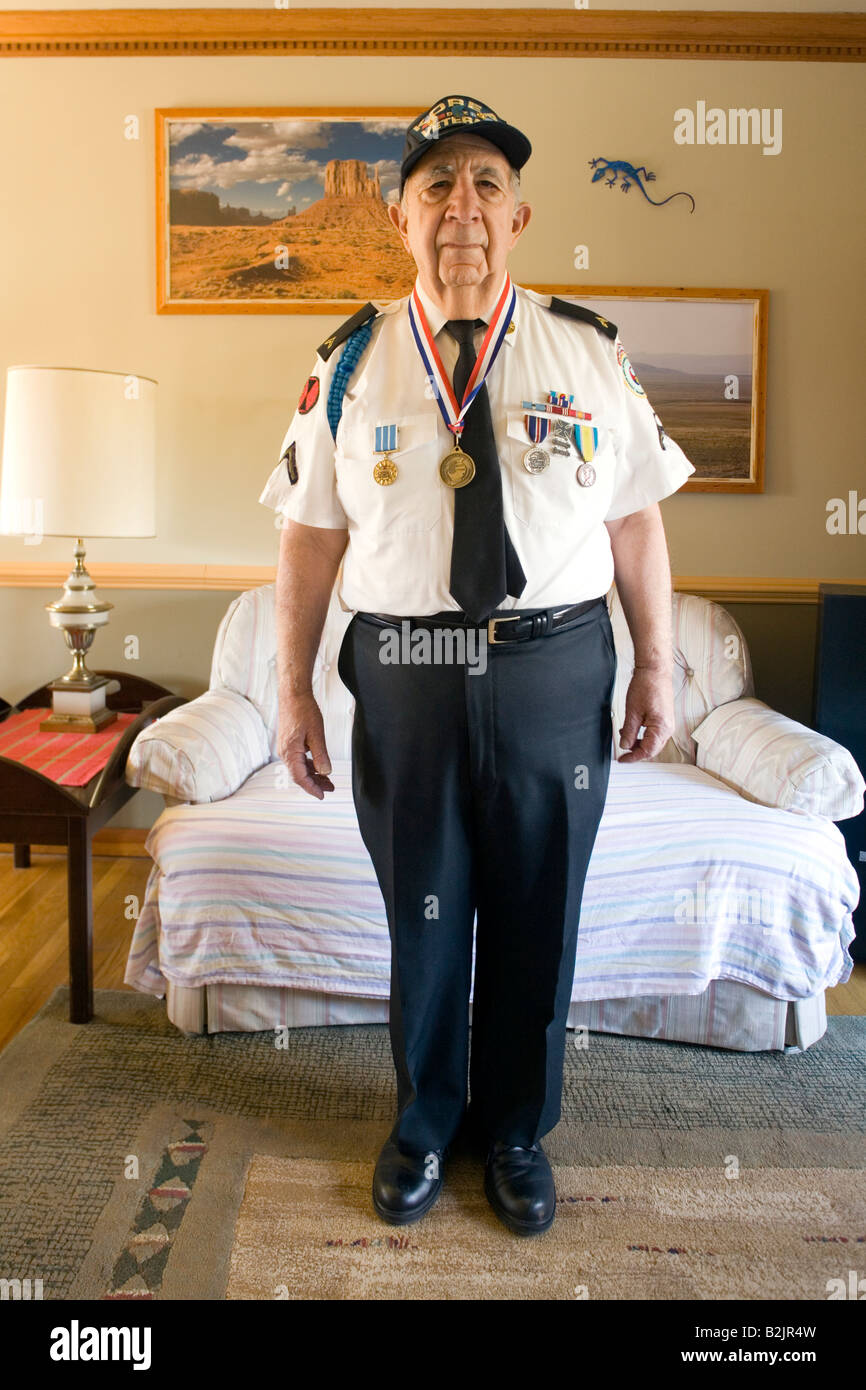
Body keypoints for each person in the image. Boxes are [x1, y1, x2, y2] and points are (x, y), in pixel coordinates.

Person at [259, 94, 695, 1237]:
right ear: (400, 219)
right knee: (422, 911)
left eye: (485, 186)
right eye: (437, 186)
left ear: (520, 215)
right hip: (402, 674)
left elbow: (636, 525)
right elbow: (308, 535)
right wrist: (291, 685)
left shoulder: (587, 352)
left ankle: (512, 1130)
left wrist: (655, 665)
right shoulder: (346, 361)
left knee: (536, 912)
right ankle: (421, 1124)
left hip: (554, 672)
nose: (462, 207)